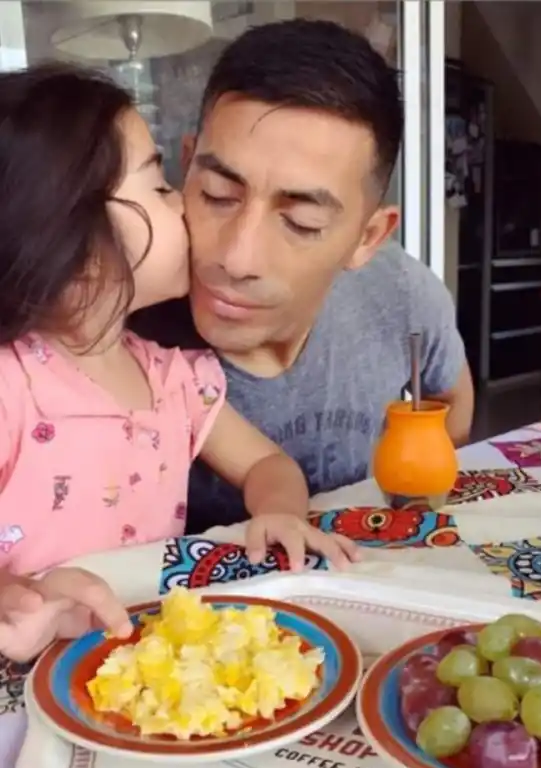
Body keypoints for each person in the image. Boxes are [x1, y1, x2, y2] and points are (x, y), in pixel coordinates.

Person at [0, 63, 358, 662]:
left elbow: (269, 464)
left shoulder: (178, 381)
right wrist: (13, 596)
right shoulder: (13, 385)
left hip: (146, 667)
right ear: (69, 230)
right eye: (160, 186)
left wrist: (280, 512)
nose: (188, 210)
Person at [131, 18, 474, 535]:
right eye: (217, 195)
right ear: (186, 167)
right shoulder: (118, 325)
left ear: (367, 238)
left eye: (301, 222)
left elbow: (454, 402)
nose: (236, 258)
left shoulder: (401, 293)